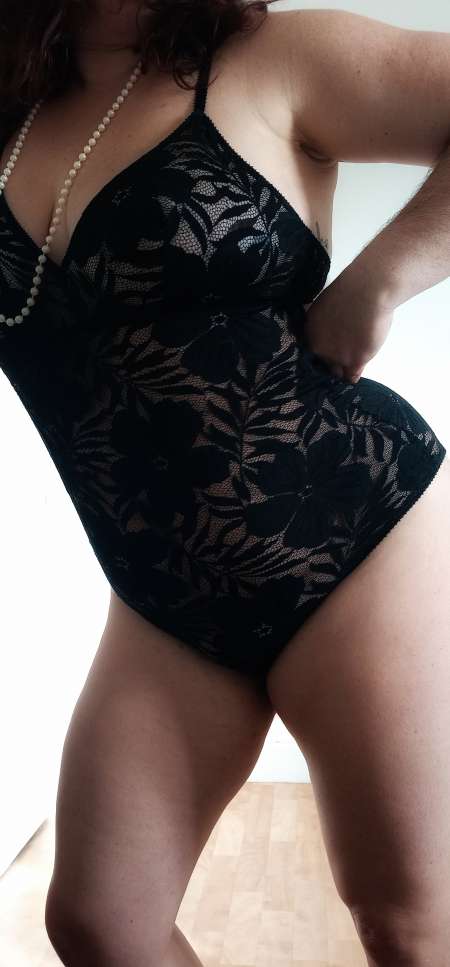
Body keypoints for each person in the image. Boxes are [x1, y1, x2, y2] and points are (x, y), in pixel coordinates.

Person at [1, 2, 449, 964]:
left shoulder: (274, 56)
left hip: (351, 539)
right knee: (101, 925)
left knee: (409, 923)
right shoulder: (14, 108)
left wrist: (384, 277)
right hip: (164, 596)